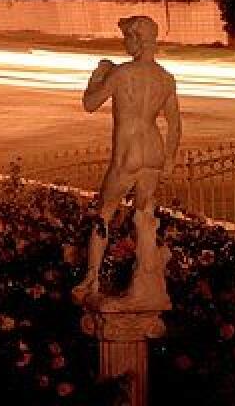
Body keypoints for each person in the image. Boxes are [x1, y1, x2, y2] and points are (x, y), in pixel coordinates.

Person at [74, 16, 181, 306]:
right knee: (144, 216)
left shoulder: (122, 73)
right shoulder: (165, 78)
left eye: (127, 38)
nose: (125, 43)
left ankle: (92, 276)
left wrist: (98, 76)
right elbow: (174, 123)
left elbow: (89, 103)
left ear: (137, 39)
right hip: (154, 149)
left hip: (129, 151)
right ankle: (146, 279)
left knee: (104, 213)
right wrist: (170, 157)